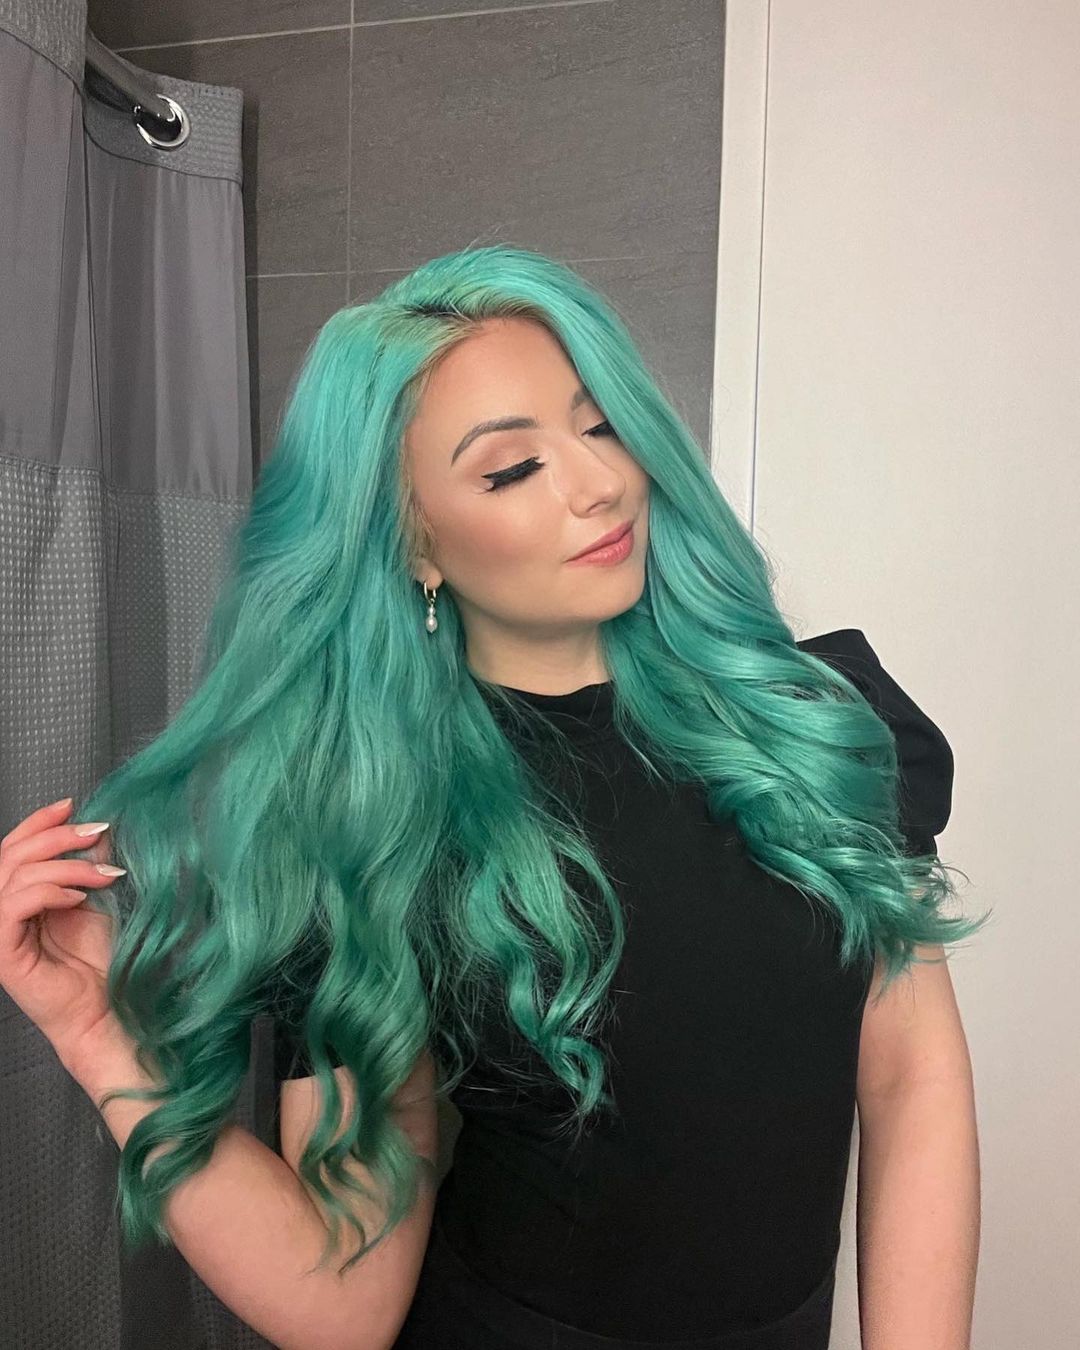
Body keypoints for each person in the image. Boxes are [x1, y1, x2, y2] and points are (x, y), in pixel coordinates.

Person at [0, 244, 989, 1350]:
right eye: (512, 469)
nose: (598, 483)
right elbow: (344, 1301)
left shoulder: (817, 721)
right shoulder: (379, 833)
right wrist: (97, 1035)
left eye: (601, 425)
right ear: (414, 541)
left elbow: (911, 1079)